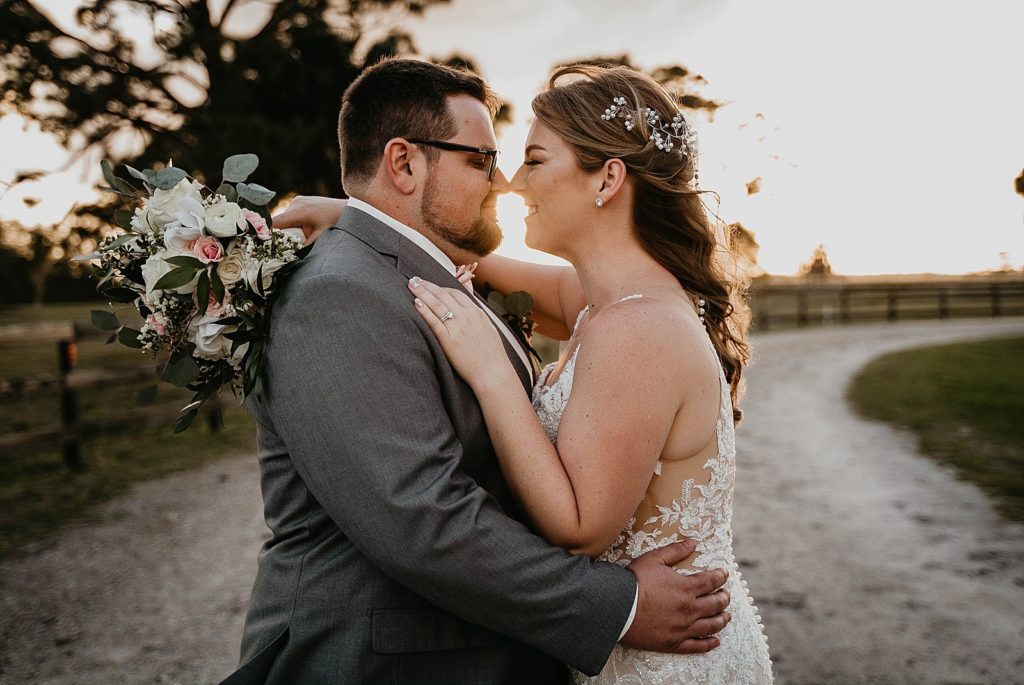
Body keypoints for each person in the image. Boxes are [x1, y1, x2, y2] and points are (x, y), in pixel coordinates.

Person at [221, 58, 733, 685]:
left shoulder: (625, 309)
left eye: (527, 160)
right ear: (404, 163)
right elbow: (421, 517)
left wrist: (366, 220)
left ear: (608, 180)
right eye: (481, 160)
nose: (506, 183)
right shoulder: (342, 293)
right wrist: (616, 607)